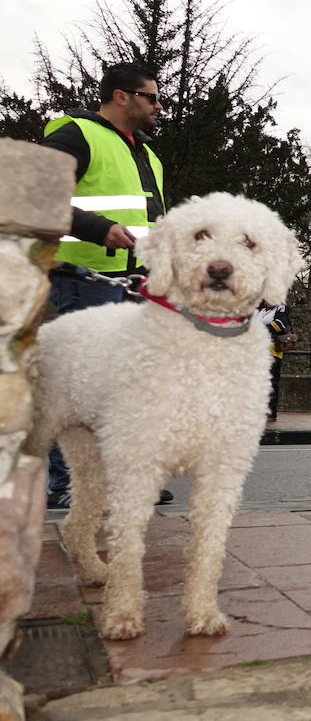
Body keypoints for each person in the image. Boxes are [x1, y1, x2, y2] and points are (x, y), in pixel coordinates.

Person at [40, 61, 174, 507]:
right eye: (151, 97)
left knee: (131, 386)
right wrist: (99, 229)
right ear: (122, 96)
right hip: (85, 280)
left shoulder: (147, 153)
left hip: (137, 284)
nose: (159, 105)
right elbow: (38, 194)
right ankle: (67, 485)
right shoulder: (77, 134)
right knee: (82, 387)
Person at [255, 302, 292, 421]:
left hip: (272, 352)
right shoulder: (260, 311)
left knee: (271, 382)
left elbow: (279, 325)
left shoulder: (281, 309)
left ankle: (271, 412)